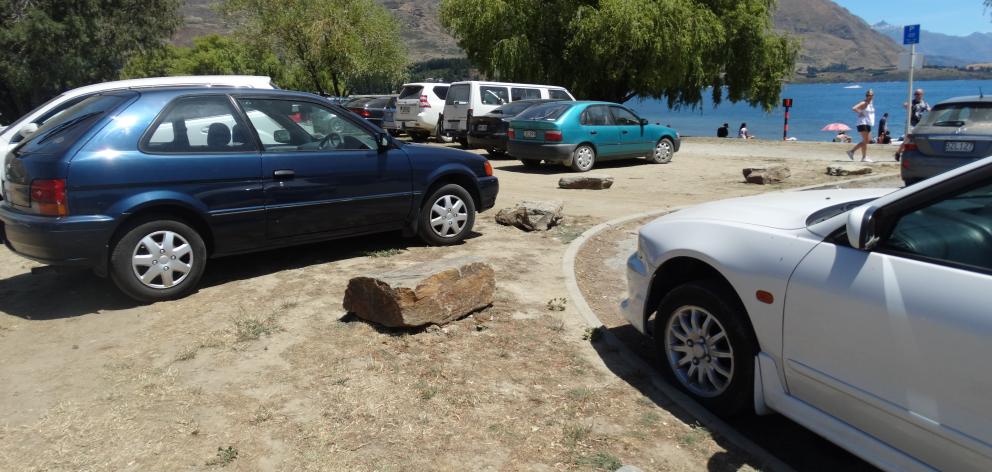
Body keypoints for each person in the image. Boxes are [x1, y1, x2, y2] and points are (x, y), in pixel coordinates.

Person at [847, 89, 875, 162]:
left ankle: (860, 156)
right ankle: (856, 153)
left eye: (872, 95)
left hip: (868, 123)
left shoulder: (870, 103)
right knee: (866, 140)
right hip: (862, 123)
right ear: (866, 96)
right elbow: (854, 108)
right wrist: (860, 112)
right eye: (869, 95)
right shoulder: (864, 103)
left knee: (867, 140)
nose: (870, 96)